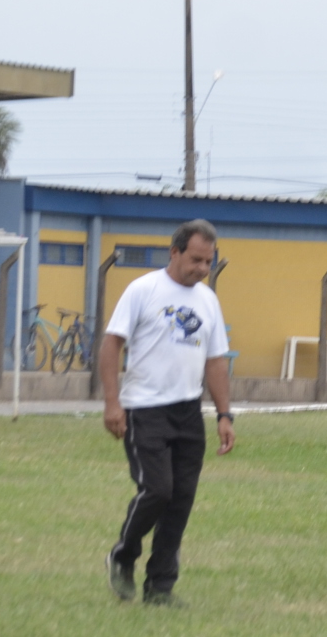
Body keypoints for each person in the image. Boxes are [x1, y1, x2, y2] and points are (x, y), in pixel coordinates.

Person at [99, 220, 235, 607]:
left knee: (181, 500)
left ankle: (160, 587)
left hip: (188, 412)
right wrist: (113, 402)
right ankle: (123, 555)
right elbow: (112, 346)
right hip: (144, 409)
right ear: (174, 252)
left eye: (208, 262)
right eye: (195, 259)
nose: (202, 269)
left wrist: (225, 414)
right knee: (158, 490)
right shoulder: (144, 289)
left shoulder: (208, 300)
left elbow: (215, 361)